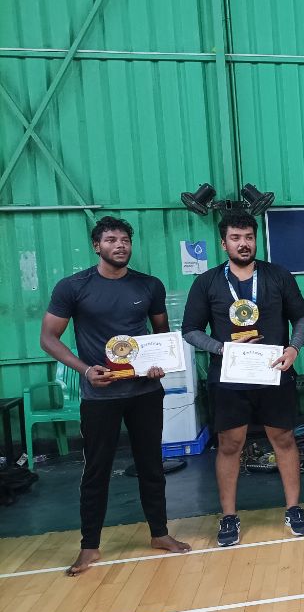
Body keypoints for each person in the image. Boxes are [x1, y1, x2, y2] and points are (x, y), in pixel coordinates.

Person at [41, 216, 191, 576]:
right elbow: (48, 338)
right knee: (97, 470)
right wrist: (85, 370)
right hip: (100, 395)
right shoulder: (73, 287)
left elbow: (161, 335)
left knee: (151, 465)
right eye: (111, 240)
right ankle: (89, 547)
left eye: (125, 239)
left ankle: (160, 533)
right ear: (97, 246)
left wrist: (158, 364)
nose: (119, 245)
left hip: (144, 392)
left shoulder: (149, 285)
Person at [182, 210, 304, 546]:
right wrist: (221, 348)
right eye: (236, 238)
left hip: (274, 371)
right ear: (223, 243)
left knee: (284, 439)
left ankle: (294, 508)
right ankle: (228, 515)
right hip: (229, 378)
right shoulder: (206, 282)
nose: (244, 243)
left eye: (249, 237)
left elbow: (300, 318)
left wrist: (294, 349)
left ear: (256, 240)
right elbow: (190, 330)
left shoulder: (278, 275)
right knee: (229, 445)